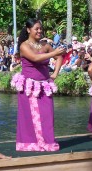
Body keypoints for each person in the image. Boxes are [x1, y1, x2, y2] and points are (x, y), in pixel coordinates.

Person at [11, 19, 65, 151]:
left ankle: (47, 141)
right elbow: (35, 58)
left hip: (44, 85)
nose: (39, 31)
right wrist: (54, 53)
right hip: (29, 86)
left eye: (41, 28)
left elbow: (60, 58)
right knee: (30, 115)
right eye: (36, 28)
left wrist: (55, 74)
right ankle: (32, 143)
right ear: (29, 30)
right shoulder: (24, 46)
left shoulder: (45, 45)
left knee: (47, 114)